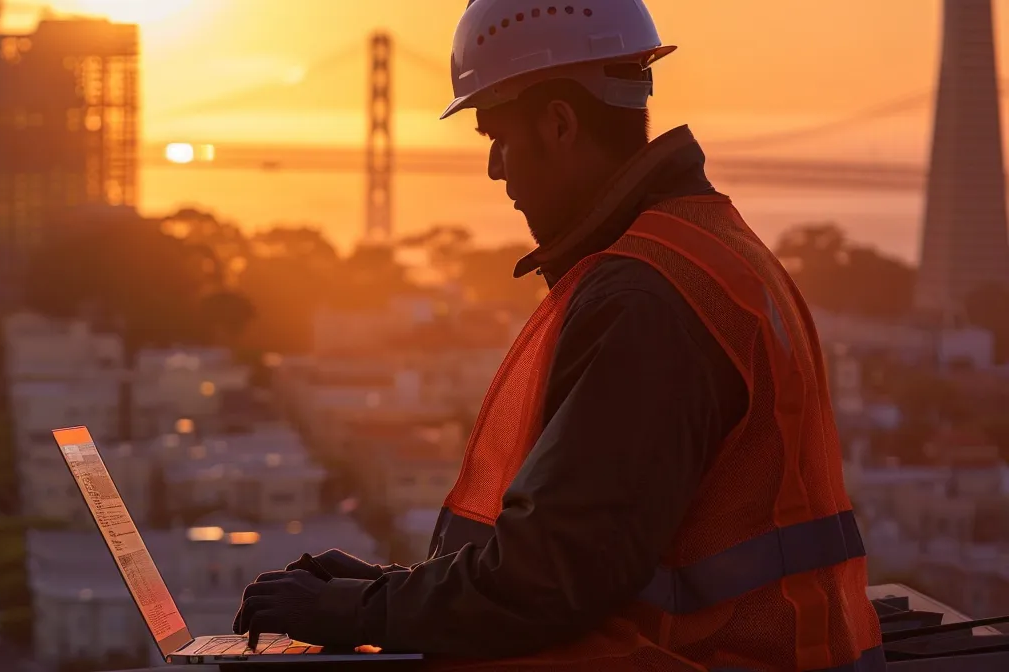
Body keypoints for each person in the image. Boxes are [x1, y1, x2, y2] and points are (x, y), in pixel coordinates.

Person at [231, 1, 884, 669]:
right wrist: (386, 590)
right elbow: (588, 556)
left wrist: (353, 610)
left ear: (560, 123)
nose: (493, 169)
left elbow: (549, 580)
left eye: (497, 137)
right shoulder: (712, 249)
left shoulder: (645, 301)